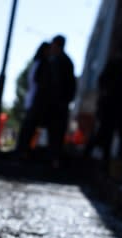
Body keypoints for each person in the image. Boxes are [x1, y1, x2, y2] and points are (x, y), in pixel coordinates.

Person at [45, 35, 76, 168]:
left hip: (57, 103)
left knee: (55, 133)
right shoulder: (66, 61)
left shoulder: (59, 61)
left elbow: (57, 83)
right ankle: (53, 160)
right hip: (60, 103)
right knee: (56, 133)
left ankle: (53, 161)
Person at [15, 41, 51, 156]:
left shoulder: (36, 62)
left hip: (32, 98)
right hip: (36, 99)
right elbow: (38, 81)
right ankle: (23, 151)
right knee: (29, 127)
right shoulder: (42, 63)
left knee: (28, 127)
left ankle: (22, 150)